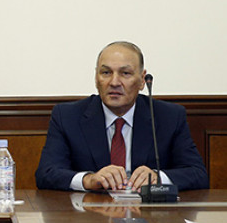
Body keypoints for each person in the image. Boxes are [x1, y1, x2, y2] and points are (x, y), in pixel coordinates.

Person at [35, 41, 208, 192]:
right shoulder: (67, 117)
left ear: (142, 80)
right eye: (106, 73)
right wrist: (88, 180)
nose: (114, 82)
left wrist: (158, 177)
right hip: (90, 213)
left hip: (149, 214)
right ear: (96, 78)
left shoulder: (169, 117)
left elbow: (197, 174)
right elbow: (46, 173)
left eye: (125, 73)